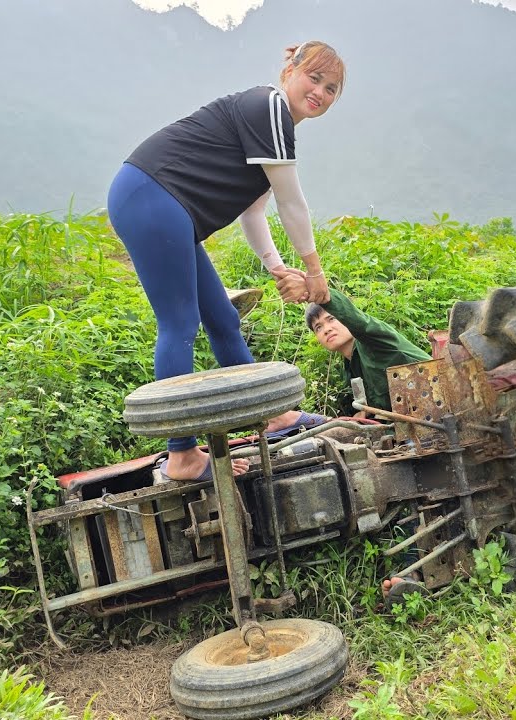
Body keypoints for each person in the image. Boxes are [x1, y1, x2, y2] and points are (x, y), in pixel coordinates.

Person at [107, 41, 343, 482]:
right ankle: (182, 456)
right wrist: (314, 271)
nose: (321, 93)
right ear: (289, 70)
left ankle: (272, 418)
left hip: (162, 205)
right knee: (179, 323)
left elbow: (254, 211)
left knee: (222, 319)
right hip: (153, 198)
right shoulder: (270, 106)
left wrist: (277, 267)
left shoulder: (274, 124)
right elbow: (292, 204)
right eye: (314, 78)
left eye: (331, 89)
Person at [295, 288, 432, 415]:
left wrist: (321, 292)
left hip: (437, 403)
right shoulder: (350, 368)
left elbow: (359, 322)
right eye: (318, 327)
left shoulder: (373, 341)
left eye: (331, 319)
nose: (327, 329)